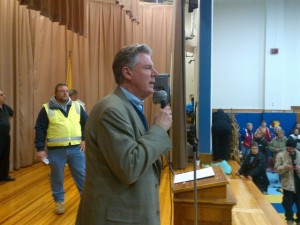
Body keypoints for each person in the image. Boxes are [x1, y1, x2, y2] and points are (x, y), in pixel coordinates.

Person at [75, 44, 172, 225]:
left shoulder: (130, 106)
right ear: (127, 73)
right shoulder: (111, 110)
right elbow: (130, 167)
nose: (155, 73)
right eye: (148, 67)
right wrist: (158, 129)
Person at [34, 83, 87, 214]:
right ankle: (59, 202)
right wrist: (40, 148)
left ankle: (87, 201)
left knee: (82, 176)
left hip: (76, 149)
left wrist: (85, 139)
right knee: (56, 177)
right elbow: (40, 129)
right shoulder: (46, 109)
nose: (64, 93)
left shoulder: (77, 106)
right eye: (61, 91)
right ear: (55, 93)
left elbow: (87, 123)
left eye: (66, 91)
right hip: (56, 150)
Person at [275, 138, 300, 225]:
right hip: (288, 184)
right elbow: (276, 169)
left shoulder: (299, 154)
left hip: (298, 184)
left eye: (293, 148)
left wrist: (299, 168)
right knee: (287, 204)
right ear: (287, 147)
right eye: (290, 148)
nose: (291, 150)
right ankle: (289, 220)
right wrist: (285, 167)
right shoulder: (280, 155)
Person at [0, 90, 15, 182]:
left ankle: (4, 175)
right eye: (1, 95)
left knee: (5, 156)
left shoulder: (6, 107)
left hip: (5, 136)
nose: (4, 96)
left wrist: (5, 124)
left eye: (3, 94)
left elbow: (11, 115)